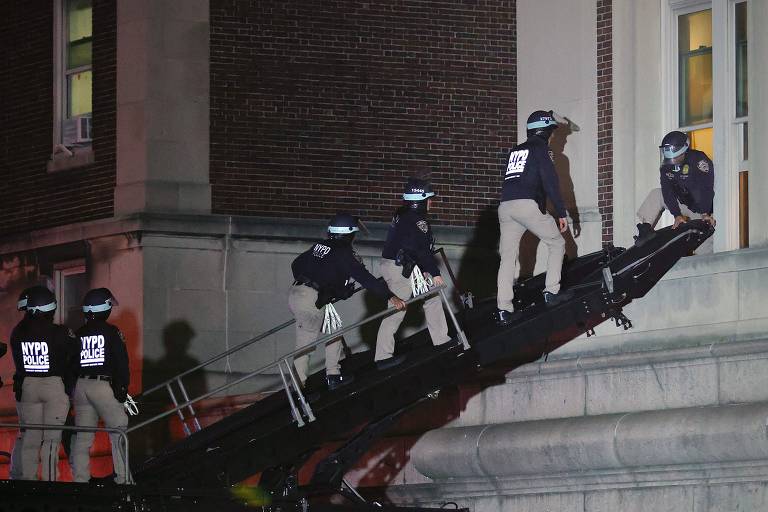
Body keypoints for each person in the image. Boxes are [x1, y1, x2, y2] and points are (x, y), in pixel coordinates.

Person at [290, 214, 406, 390]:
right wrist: (391, 296)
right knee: (306, 343)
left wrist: (326, 289)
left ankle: (333, 376)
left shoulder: (321, 246)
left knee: (334, 329)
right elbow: (366, 278)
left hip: (299, 293)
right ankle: (299, 391)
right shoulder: (343, 253)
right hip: (311, 298)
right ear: (350, 234)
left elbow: (296, 264)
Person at [496, 110, 569, 325]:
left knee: (507, 257)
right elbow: (550, 181)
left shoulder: (516, 151)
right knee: (557, 243)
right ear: (544, 130)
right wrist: (561, 212)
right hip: (526, 205)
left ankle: (504, 308)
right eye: (552, 132)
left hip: (505, 206)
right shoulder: (541, 149)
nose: (553, 136)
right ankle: (552, 292)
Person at [375, 178, 452, 369]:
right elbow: (421, 250)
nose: (431, 203)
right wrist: (434, 273)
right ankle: (382, 357)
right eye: (429, 199)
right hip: (400, 269)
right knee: (396, 309)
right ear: (420, 200)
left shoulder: (403, 214)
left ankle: (442, 339)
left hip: (403, 265)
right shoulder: (417, 220)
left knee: (432, 296)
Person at [9, 286, 78, 481]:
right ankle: (50, 481)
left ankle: (27, 481)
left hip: (28, 387)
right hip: (53, 385)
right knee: (52, 439)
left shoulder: (18, 332)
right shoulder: (60, 332)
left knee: (30, 438)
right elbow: (75, 353)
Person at [71, 288, 131, 484]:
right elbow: (122, 362)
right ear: (104, 308)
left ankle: (81, 479)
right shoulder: (112, 332)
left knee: (83, 437)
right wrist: (122, 389)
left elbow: (70, 364)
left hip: (81, 386)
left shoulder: (78, 334)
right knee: (119, 431)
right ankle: (123, 479)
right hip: (102, 386)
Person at [636, 130, 716, 254]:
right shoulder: (666, 166)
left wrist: (705, 213)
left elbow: (707, 189)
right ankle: (645, 231)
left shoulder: (699, 160)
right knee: (657, 193)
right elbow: (667, 192)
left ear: (684, 149)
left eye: (676, 156)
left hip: (701, 209)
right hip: (682, 202)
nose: (673, 160)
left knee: (703, 250)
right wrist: (677, 215)